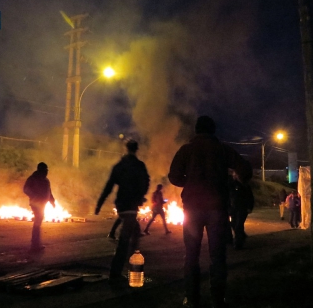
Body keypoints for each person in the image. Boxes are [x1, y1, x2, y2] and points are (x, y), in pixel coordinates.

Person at [168, 116, 252, 308]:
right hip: (217, 208)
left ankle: (191, 299)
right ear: (213, 131)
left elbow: (173, 176)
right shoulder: (222, 149)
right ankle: (218, 299)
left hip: (192, 208)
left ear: (196, 130)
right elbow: (245, 169)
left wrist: (189, 183)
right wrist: (238, 180)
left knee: (191, 255)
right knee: (218, 256)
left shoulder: (186, 150)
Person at [95, 139, 150, 283]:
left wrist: (99, 204)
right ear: (136, 149)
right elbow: (146, 181)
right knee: (125, 240)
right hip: (131, 206)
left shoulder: (119, 166)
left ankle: (129, 265)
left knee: (135, 232)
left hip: (121, 205)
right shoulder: (139, 165)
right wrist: (141, 196)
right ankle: (117, 272)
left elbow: (109, 185)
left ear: (126, 148)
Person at [23, 162, 56, 252]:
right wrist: (34, 196)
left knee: (38, 222)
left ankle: (36, 243)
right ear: (40, 170)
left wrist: (52, 201)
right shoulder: (33, 178)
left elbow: (49, 192)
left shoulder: (46, 180)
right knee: (37, 223)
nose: (46, 171)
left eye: (47, 170)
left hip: (42, 204)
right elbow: (26, 189)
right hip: (36, 204)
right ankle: (35, 244)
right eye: (45, 170)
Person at [229, 171, 254, 250]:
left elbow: (250, 197)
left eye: (236, 174)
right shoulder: (231, 185)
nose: (234, 176)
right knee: (233, 223)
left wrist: (249, 207)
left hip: (242, 208)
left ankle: (238, 243)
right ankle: (241, 236)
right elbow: (229, 196)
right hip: (233, 209)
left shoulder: (245, 186)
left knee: (239, 225)